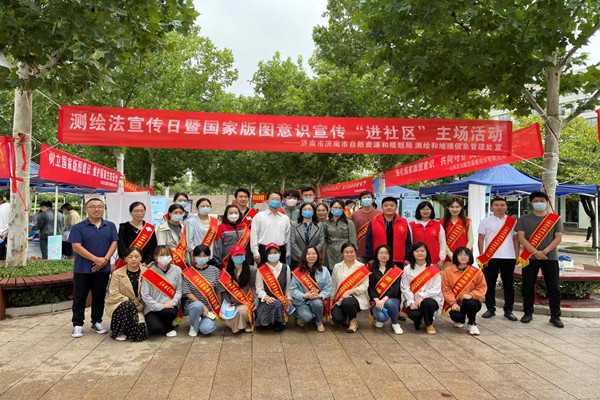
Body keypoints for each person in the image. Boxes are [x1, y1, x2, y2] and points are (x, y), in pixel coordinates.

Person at [68, 198, 118, 338]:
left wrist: (105, 260)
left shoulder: (110, 226)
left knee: (99, 296)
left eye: (100, 206)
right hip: (82, 269)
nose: (97, 209)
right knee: (80, 297)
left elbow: (114, 242)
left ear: (103, 209)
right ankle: (78, 324)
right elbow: (76, 247)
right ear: (86, 210)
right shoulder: (78, 227)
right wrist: (95, 259)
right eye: (93, 207)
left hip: (103, 269)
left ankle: (96, 321)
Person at [516, 191, 564, 328]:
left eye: (542, 201)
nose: (539, 203)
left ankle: (555, 316)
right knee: (527, 286)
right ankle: (528, 313)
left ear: (547, 202)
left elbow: (558, 238)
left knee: (553, 287)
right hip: (529, 257)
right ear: (531, 203)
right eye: (536, 201)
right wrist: (536, 252)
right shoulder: (524, 219)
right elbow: (521, 237)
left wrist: (544, 252)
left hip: (550, 257)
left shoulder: (555, 219)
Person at [477, 197, 519, 321]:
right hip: (490, 257)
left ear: (506, 207)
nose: (499, 207)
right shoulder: (485, 221)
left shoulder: (513, 221)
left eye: (502, 205)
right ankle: (490, 308)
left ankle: (508, 310)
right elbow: (481, 239)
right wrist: (482, 256)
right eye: (496, 205)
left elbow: (516, 239)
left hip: (509, 256)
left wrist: (517, 255)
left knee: (509, 285)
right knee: (490, 284)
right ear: (491, 207)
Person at [105, 247, 148, 341]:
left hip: (141, 306)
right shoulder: (117, 273)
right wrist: (134, 303)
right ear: (125, 258)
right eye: (130, 257)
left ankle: (129, 328)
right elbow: (113, 294)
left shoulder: (147, 272)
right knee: (127, 305)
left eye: (137, 256)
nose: (134, 259)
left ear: (141, 257)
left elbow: (151, 292)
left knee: (139, 335)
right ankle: (119, 331)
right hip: (119, 304)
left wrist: (143, 304)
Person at [441, 247, 487, 336]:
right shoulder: (448, 271)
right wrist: (453, 303)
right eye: (460, 255)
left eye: (466, 255)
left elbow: (482, 288)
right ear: (455, 257)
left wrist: (471, 295)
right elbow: (446, 289)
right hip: (455, 302)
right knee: (457, 317)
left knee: (470, 303)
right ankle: (460, 319)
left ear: (470, 257)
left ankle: (472, 323)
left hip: (472, 302)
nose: (463, 257)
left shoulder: (476, 272)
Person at [401, 242, 443, 334]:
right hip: (414, 301)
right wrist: (411, 302)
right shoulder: (407, 269)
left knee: (427, 303)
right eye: (417, 251)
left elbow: (436, 288)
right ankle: (420, 319)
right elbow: (405, 287)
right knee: (414, 314)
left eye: (422, 251)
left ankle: (429, 324)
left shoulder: (434, 269)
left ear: (426, 253)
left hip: (430, 300)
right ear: (413, 253)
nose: (420, 253)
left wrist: (422, 296)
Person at [141, 246, 183, 337]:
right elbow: (145, 295)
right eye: (162, 255)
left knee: (169, 312)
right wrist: (159, 306)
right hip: (152, 308)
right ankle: (163, 323)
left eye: (167, 255)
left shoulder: (177, 270)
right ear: (155, 256)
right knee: (155, 329)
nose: (165, 258)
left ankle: (169, 327)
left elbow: (179, 290)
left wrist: (173, 301)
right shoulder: (149, 272)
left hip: (169, 306)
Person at [330, 242, 370, 333]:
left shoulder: (362, 267)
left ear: (355, 252)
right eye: (346, 252)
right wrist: (331, 301)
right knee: (337, 319)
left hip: (357, 297)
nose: (349, 254)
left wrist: (350, 291)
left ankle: (353, 320)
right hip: (340, 297)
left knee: (347, 302)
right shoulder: (337, 266)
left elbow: (365, 286)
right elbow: (334, 284)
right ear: (342, 253)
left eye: (352, 252)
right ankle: (347, 315)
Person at [182, 245, 221, 336]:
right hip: (193, 306)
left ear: (209, 256)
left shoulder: (215, 271)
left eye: (204, 256)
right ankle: (193, 327)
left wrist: (218, 308)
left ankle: (201, 320)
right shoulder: (187, 273)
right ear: (194, 257)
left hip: (210, 307)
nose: (201, 258)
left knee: (205, 330)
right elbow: (187, 293)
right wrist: (202, 306)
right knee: (197, 306)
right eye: (199, 256)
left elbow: (218, 290)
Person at [290, 247, 332, 332]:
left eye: (314, 254)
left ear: (317, 256)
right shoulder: (298, 271)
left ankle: (319, 322)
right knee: (306, 317)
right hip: (302, 301)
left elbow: (328, 287)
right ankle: (303, 316)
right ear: (304, 256)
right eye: (309, 254)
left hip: (317, 299)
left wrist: (320, 295)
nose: (311, 256)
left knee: (317, 303)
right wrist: (304, 295)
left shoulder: (324, 270)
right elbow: (293, 290)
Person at [219, 245, 256, 333]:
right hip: (232, 303)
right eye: (236, 255)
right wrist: (228, 303)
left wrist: (256, 301)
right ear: (232, 257)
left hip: (246, 301)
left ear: (244, 255)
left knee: (241, 311)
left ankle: (245, 324)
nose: (239, 257)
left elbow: (254, 286)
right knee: (229, 316)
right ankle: (243, 324)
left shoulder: (252, 270)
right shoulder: (226, 272)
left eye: (241, 255)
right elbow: (224, 291)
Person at [365, 196, 412, 268]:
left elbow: (408, 242)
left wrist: (407, 258)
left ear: (396, 207)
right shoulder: (374, 222)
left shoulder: (403, 222)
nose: (389, 207)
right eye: (386, 205)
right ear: (382, 207)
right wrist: (370, 258)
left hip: (398, 259)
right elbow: (369, 241)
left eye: (392, 205)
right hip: (379, 259)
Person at [255, 243, 292, 331]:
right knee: (263, 317)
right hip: (266, 299)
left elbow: (288, 286)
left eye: (275, 252)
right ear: (266, 255)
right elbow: (259, 289)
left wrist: (289, 298)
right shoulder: (261, 269)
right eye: (270, 253)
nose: (273, 255)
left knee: (278, 304)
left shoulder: (286, 268)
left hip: (281, 298)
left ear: (280, 253)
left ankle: (278, 322)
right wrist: (266, 297)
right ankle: (271, 322)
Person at [369, 245, 403, 335]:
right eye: (381, 253)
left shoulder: (395, 270)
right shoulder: (371, 269)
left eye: (386, 253)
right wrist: (377, 301)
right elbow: (370, 287)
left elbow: (395, 289)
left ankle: (395, 323)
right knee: (381, 317)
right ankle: (380, 318)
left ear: (390, 255)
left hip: (391, 299)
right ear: (377, 255)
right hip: (376, 300)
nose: (384, 255)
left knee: (389, 303)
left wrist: (383, 300)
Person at [250, 191, 291, 265]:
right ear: (267, 201)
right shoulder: (259, 216)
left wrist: (288, 252)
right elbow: (254, 236)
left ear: (281, 202)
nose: (275, 201)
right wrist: (255, 253)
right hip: (264, 251)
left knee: (280, 272)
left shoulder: (285, 218)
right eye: (272, 199)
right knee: (264, 272)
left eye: (277, 199)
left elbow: (288, 237)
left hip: (280, 251)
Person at [117, 202, 157, 267]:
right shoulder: (124, 227)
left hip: (146, 265)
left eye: (142, 211)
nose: (139, 213)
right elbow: (121, 246)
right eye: (136, 211)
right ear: (130, 212)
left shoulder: (149, 228)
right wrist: (129, 261)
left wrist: (146, 262)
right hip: (128, 263)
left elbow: (154, 247)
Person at [409, 201, 446, 268]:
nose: (425, 211)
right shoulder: (412, 225)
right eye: (423, 209)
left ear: (431, 211)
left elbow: (443, 243)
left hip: (434, 260)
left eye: (428, 209)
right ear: (418, 211)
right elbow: (409, 243)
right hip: (417, 260)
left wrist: (442, 259)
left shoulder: (437, 225)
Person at [323, 200, 357, 272]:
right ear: (330, 208)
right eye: (335, 207)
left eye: (340, 208)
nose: (337, 210)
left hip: (345, 252)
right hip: (330, 253)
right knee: (332, 272)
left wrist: (352, 253)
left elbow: (353, 240)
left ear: (343, 209)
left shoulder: (349, 223)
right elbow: (325, 240)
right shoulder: (326, 224)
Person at [290, 203, 325, 269]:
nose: (307, 211)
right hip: (297, 259)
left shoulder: (320, 225)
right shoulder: (295, 225)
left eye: (309, 209)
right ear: (301, 211)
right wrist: (303, 256)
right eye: (305, 209)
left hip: (314, 259)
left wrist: (312, 255)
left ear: (313, 212)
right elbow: (292, 242)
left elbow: (321, 242)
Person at [352, 191, 382, 263]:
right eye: (364, 198)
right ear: (360, 201)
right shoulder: (355, 215)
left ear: (373, 200)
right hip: (360, 250)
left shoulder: (380, 214)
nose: (366, 199)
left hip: (376, 250)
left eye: (368, 197)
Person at [442, 198, 473, 264]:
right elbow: (442, 241)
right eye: (452, 207)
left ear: (461, 208)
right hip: (448, 256)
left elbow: (471, 239)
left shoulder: (467, 221)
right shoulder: (442, 222)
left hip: (465, 257)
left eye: (457, 207)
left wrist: (464, 254)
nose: (455, 209)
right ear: (447, 208)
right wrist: (451, 255)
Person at [156, 204, 188, 268]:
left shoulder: (184, 227)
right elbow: (161, 247)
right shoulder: (163, 228)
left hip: (184, 260)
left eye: (180, 213)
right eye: (175, 212)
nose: (178, 214)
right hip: (169, 261)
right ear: (170, 214)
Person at [0, 195, 9, 260]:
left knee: (1, 256)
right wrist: (6, 233)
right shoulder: (14, 208)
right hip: (9, 235)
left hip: (1, 234)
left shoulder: (1, 207)